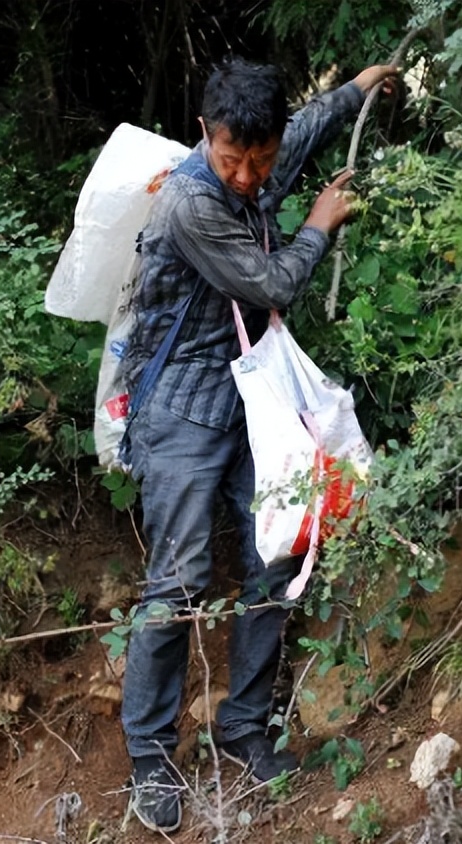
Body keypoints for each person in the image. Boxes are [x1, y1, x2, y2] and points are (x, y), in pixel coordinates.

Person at [118, 56, 398, 834]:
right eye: (231, 158)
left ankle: (243, 727)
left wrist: (357, 89)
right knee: (179, 578)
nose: (247, 176)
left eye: (260, 161)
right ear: (205, 136)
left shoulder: (265, 151)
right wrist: (316, 225)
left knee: (278, 550)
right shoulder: (189, 205)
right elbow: (272, 285)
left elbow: (304, 128)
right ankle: (149, 756)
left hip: (252, 396)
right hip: (180, 401)